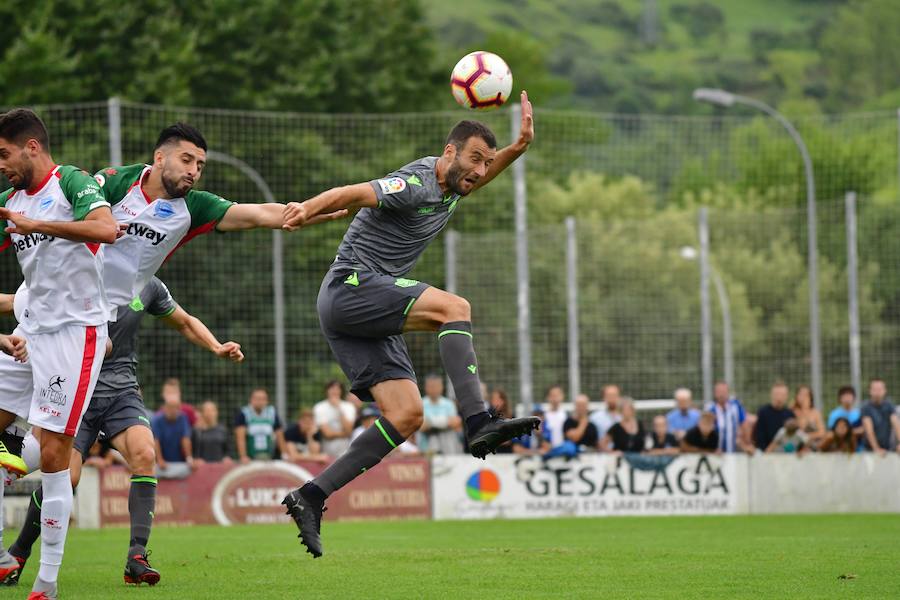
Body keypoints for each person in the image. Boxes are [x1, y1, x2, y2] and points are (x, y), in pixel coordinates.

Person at [280, 100, 539, 557]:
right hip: (351, 287)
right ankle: (478, 421)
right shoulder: (418, 183)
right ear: (449, 152)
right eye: (475, 158)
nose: (480, 170)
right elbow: (354, 192)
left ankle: (311, 496)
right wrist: (307, 209)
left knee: (407, 416)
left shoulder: (454, 186)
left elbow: (479, 176)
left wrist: (517, 147)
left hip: (364, 313)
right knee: (453, 307)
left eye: (486, 162)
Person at [4, 276, 243, 587]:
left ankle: (136, 557)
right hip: (78, 390)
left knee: (145, 454)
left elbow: (184, 322)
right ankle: (18, 553)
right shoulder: (78, 277)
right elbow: (18, 302)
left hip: (122, 392)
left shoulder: (149, 285)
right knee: (66, 477)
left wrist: (216, 345)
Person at [0, 108, 118, 596]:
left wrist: (40, 224)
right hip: (28, 332)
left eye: (4, 155)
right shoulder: (9, 200)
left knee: (53, 454)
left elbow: (106, 229)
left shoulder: (70, 181)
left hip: (76, 333)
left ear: (32, 147)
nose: (1, 165)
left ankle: (46, 582)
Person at [234, 388, 288, 462]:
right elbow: (240, 437)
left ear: (267, 401)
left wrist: (284, 454)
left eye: (263, 399)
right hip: (250, 458)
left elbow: (279, 435)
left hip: (269, 456)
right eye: (257, 398)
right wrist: (243, 456)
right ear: (251, 400)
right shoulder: (244, 414)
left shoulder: (272, 413)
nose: (260, 401)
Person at [152, 393, 194, 479]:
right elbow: (156, 441)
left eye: (176, 407)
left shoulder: (183, 418)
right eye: (171, 407)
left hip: (179, 462)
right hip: (161, 463)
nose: (174, 410)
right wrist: (160, 460)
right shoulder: (156, 420)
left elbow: (185, 439)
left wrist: (189, 459)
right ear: (165, 407)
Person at [418, 374, 463, 455]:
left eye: (436, 386)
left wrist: (430, 422)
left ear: (441, 387)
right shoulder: (420, 404)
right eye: (431, 386)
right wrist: (446, 421)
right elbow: (421, 426)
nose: (434, 389)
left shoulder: (449, 404)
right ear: (426, 387)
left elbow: (455, 423)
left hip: (448, 450)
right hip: (425, 450)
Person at [313, 381, 357, 457]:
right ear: (327, 390)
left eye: (337, 389)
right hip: (326, 453)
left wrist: (339, 408)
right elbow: (327, 434)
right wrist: (344, 434)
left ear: (341, 391)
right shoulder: (319, 407)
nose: (334, 391)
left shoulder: (349, 407)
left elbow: (349, 430)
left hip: (346, 453)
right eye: (332, 388)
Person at [706, 381, 753, 453]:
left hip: (734, 450)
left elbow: (744, 424)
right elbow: (705, 429)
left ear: (728, 393)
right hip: (715, 452)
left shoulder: (736, 405)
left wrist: (748, 443)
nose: (722, 394)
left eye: (724, 391)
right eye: (719, 391)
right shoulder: (710, 408)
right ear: (715, 394)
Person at [861, 378, 900, 456]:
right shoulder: (866, 407)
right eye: (875, 389)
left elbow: (896, 425)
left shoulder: (889, 405)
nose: (877, 392)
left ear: (885, 390)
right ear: (870, 391)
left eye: (880, 389)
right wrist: (876, 448)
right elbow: (869, 430)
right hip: (869, 450)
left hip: (887, 448)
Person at [754, 382, 794, 452]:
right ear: (772, 395)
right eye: (777, 394)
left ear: (786, 396)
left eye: (782, 395)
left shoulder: (790, 414)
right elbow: (759, 437)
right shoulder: (763, 413)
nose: (779, 397)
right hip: (766, 454)